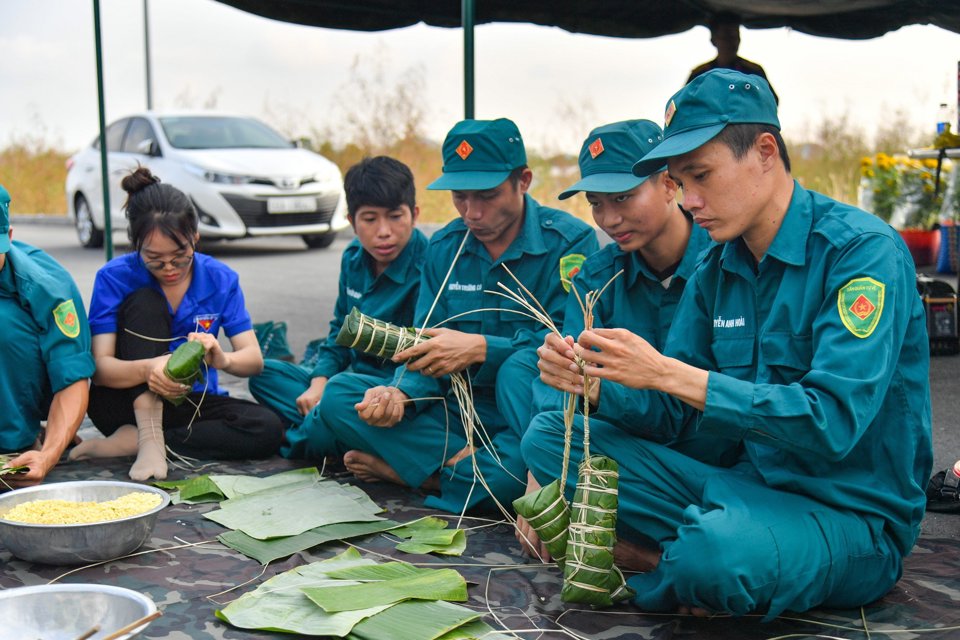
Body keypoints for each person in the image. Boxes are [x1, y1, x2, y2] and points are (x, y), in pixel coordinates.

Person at [523, 69, 932, 619]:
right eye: (679, 181)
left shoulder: (860, 254)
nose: (689, 200)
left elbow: (831, 424)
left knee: (715, 553)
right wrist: (598, 388)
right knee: (547, 436)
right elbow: (677, 418)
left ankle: (659, 560)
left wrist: (667, 372)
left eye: (701, 176)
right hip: (746, 488)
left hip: (846, 513)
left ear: (765, 152)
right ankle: (704, 551)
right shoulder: (719, 267)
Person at [323, 118, 599, 513]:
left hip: (525, 413)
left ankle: (416, 474)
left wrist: (484, 349)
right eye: (460, 197)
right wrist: (400, 393)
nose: (472, 212)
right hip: (452, 409)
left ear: (523, 181)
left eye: (486, 196)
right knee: (339, 397)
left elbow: (570, 347)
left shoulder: (570, 242)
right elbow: (424, 340)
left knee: (521, 470)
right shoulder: (446, 247)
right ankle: (460, 468)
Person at [505, 119, 727, 558]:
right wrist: (542, 471)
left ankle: (644, 551)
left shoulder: (723, 263)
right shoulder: (597, 277)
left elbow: (710, 404)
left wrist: (598, 396)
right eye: (596, 203)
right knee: (526, 383)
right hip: (627, 442)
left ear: (668, 184)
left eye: (624, 197)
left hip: (705, 447)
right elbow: (565, 380)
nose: (609, 219)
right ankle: (662, 536)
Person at [69, 167, 284, 481]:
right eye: (154, 259)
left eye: (180, 256)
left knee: (267, 428)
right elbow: (100, 368)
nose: (169, 268)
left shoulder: (220, 278)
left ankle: (147, 441)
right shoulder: (115, 277)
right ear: (135, 244)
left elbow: (253, 359)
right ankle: (148, 434)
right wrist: (149, 369)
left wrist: (221, 359)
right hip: (123, 401)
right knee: (146, 302)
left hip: (185, 402)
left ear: (195, 236)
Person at [248, 156, 428, 460]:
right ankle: (333, 428)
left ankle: (312, 433)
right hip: (344, 385)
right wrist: (318, 383)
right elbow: (339, 332)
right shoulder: (353, 257)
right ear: (351, 220)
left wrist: (335, 391)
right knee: (263, 375)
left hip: (389, 395)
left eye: (395, 216)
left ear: (415, 214)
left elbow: (423, 358)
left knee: (336, 400)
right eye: (370, 219)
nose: (384, 231)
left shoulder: (429, 265)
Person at [0, 183, 95, 486]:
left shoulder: (48, 287)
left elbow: (72, 379)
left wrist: (49, 454)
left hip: (29, 388)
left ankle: (19, 442)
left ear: (9, 238)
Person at [687, 12, 778, 103]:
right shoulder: (700, 74)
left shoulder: (754, 72)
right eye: (726, 36)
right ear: (713, 40)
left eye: (736, 36)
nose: (733, 42)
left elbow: (772, 102)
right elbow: (683, 104)